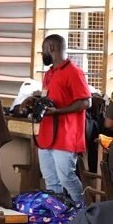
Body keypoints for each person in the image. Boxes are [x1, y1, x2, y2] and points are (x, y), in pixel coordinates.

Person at [34, 34, 91, 204]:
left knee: (67, 179)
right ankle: (58, 218)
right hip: (46, 136)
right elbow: (47, 98)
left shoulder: (74, 72)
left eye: (43, 49)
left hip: (66, 136)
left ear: (51, 48)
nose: (42, 53)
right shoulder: (49, 73)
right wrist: (33, 101)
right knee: (51, 181)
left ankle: (85, 214)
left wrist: (58, 111)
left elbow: (86, 102)